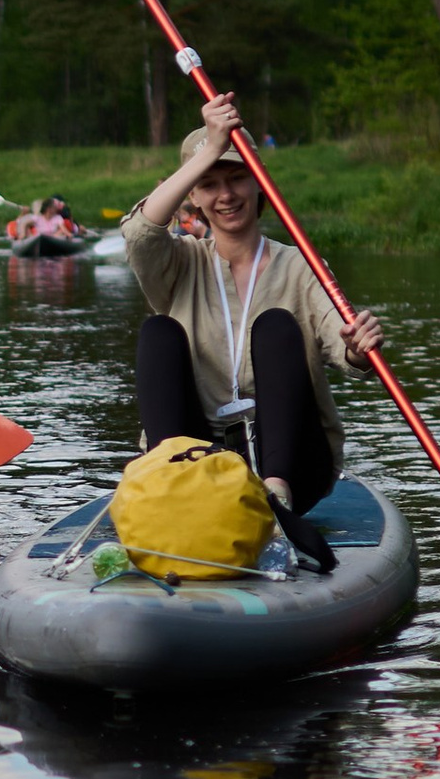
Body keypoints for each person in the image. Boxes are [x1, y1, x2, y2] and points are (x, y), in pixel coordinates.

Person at [122, 93, 381, 574]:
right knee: (158, 331)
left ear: (259, 185)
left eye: (237, 176)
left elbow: (340, 342)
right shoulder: (177, 264)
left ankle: (273, 499)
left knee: (276, 325)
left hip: (292, 463)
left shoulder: (302, 264)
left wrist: (359, 350)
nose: (226, 195)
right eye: (210, 184)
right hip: (199, 464)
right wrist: (209, 148)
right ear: (193, 197)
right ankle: (165, 487)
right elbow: (139, 234)